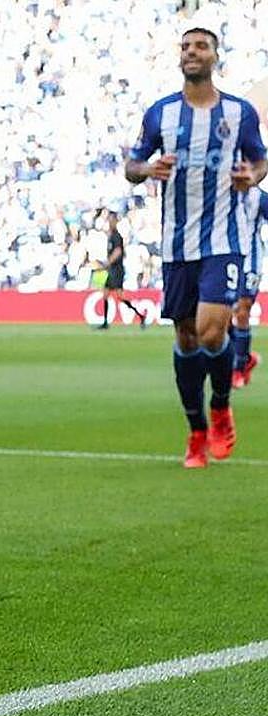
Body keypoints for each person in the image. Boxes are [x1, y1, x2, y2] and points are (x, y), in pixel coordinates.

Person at [124, 28, 266, 468]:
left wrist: (254, 177)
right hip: (176, 244)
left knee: (210, 330)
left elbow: (261, 158)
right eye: (185, 46)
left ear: (215, 56)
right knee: (186, 337)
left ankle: (221, 405)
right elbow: (131, 166)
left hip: (224, 239)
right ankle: (196, 430)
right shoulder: (160, 114)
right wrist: (148, 168)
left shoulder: (239, 113)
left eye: (200, 46)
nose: (191, 52)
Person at [232, 184, 266, 388]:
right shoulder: (224, 191)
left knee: (242, 310)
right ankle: (244, 357)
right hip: (226, 257)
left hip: (251, 261)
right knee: (223, 314)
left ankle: (238, 369)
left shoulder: (260, 197)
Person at [95, 212, 147, 330]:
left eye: (111, 220)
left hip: (117, 270)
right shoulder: (111, 236)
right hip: (112, 269)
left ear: (115, 222)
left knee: (120, 296)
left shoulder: (116, 236)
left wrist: (107, 263)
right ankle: (105, 322)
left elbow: (118, 251)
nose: (110, 223)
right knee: (106, 294)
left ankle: (140, 315)